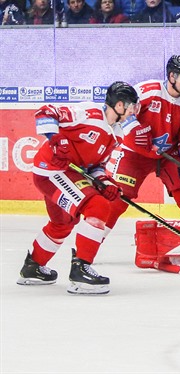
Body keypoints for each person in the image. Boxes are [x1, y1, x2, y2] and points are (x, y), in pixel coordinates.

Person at [16, 82, 140, 295]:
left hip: (67, 174)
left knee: (62, 223)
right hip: (51, 171)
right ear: (119, 105)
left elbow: (95, 167)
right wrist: (55, 138)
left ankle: (32, 268)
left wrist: (106, 183)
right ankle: (80, 269)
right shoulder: (88, 113)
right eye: (131, 107)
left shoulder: (117, 133)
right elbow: (46, 112)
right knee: (98, 206)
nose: (132, 112)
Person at [103, 55, 180, 246]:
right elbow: (122, 116)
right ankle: (91, 238)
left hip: (169, 155)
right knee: (118, 197)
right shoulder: (147, 92)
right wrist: (134, 134)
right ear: (172, 76)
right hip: (136, 153)